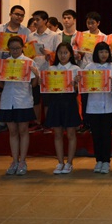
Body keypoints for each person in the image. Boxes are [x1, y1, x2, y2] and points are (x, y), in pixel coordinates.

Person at [0, 35, 40, 176]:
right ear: (8, 49)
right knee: (12, 131)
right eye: (12, 48)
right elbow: (1, 85)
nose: (15, 51)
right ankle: (14, 161)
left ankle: (22, 161)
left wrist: (36, 75)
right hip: (8, 100)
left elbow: (34, 85)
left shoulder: (29, 62)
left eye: (17, 48)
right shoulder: (4, 63)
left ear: (22, 48)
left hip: (23, 100)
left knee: (23, 131)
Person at [0, 5, 31, 135]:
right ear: (10, 14)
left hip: (18, 67)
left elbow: (28, 49)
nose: (19, 17)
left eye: (22, 15)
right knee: (1, 94)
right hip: (2, 66)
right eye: (17, 14)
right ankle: (2, 123)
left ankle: (16, 120)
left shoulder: (26, 31)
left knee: (18, 93)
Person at [44, 42, 81, 174]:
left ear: (70, 54)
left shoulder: (76, 69)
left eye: (65, 53)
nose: (63, 55)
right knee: (58, 134)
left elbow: (79, 90)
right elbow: (47, 88)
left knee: (71, 134)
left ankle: (69, 163)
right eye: (60, 53)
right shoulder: (51, 69)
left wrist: (76, 83)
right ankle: (60, 162)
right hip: (55, 103)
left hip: (69, 102)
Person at [83, 41, 112, 174]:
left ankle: (106, 161)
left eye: (106, 52)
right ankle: (99, 160)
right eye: (101, 52)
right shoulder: (89, 67)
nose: (104, 54)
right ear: (96, 53)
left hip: (108, 106)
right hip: (93, 106)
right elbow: (83, 85)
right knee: (96, 135)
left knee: (106, 135)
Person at [28, 10, 61, 133]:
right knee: (35, 98)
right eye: (34, 19)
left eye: (38, 19)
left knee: (48, 100)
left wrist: (50, 54)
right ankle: (36, 123)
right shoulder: (31, 36)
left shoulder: (54, 35)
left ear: (45, 21)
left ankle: (48, 123)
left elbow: (60, 53)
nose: (35, 22)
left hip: (48, 71)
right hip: (35, 71)